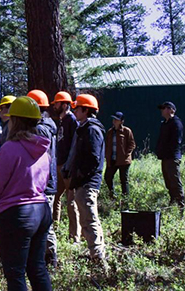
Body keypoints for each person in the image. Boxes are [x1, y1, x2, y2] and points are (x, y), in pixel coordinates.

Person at [0, 96, 52, 291]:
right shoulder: (43, 150)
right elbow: (44, 182)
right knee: (38, 269)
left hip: (17, 216)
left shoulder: (10, 149)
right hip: (41, 211)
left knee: (15, 274)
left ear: (15, 121)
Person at [62, 94, 107, 263]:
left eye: (77, 108)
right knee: (88, 219)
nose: (74, 111)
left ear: (85, 110)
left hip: (87, 183)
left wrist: (79, 175)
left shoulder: (91, 130)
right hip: (83, 182)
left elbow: (94, 159)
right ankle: (97, 252)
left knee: (89, 220)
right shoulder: (85, 128)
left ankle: (98, 258)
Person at [27, 89, 58, 267]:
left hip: (44, 183)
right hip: (45, 182)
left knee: (46, 225)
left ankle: (50, 257)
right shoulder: (47, 125)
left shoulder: (40, 129)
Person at [50, 91, 80, 243]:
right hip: (59, 165)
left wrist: (70, 165)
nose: (54, 105)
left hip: (68, 167)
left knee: (71, 200)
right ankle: (55, 229)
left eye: (56, 103)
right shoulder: (61, 120)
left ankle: (75, 236)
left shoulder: (72, 120)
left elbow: (75, 145)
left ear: (64, 104)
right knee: (56, 197)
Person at [156, 101, 185, 208]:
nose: (162, 111)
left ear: (171, 110)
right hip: (165, 157)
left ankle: (181, 206)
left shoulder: (176, 123)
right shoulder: (164, 124)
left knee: (175, 182)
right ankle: (173, 202)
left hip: (172, 157)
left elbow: (176, 141)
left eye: (164, 108)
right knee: (168, 182)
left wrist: (168, 152)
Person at [104, 111, 136, 197]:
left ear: (122, 121)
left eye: (117, 119)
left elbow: (132, 144)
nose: (114, 121)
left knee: (123, 180)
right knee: (107, 177)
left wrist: (126, 154)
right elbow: (107, 145)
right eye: (113, 119)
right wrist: (107, 156)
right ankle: (112, 195)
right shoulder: (110, 132)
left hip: (124, 161)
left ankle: (125, 198)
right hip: (112, 160)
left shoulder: (126, 131)